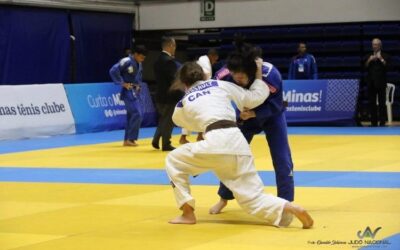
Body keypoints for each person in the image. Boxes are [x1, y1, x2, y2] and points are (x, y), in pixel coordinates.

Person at [166, 61, 313, 228]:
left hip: (214, 142)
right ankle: (287, 207)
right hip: (237, 142)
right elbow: (255, 96)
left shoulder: (183, 102)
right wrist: (257, 76)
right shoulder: (221, 84)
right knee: (253, 198)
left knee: (173, 161)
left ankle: (187, 213)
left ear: (184, 82)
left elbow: (181, 122)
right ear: (205, 75)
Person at [210, 43, 295, 214]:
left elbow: (278, 104)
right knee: (231, 156)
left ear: (252, 72)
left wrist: (256, 113)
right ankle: (224, 198)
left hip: (272, 116)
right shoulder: (223, 76)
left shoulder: (270, 75)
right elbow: (216, 99)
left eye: (241, 78)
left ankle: (286, 203)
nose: (237, 80)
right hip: (244, 116)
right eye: (235, 77)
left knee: (282, 157)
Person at [179, 49, 219, 144]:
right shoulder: (204, 61)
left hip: (199, 91)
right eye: (215, 59)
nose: (215, 62)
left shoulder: (204, 62)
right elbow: (204, 75)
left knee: (202, 113)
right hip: (195, 91)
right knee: (192, 114)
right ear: (212, 56)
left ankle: (200, 135)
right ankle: (184, 137)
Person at [109, 45, 147, 146]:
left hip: (135, 91)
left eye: (144, 58)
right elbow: (113, 70)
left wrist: (138, 85)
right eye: (141, 57)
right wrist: (122, 83)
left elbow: (138, 77)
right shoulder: (126, 61)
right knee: (137, 113)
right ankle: (131, 138)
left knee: (132, 115)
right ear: (136, 54)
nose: (142, 60)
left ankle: (127, 140)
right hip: (128, 91)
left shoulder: (139, 63)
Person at [152, 36, 181, 151]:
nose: (175, 48)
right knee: (169, 120)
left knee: (164, 118)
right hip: (169, 96)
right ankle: (166, 143)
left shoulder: (157, 60)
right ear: (170, 46)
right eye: (174, 46)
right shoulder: (169, 62)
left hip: (159, 94)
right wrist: (180, 93)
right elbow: (174, 80)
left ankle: (156, 139)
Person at [364, 38, 390, 127]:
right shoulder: (368, 55)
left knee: (382, 103)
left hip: (381, 82)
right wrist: (369, 60)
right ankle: (373, 122)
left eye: (376, 44)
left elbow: (388, 67)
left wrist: (381, 59)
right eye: (373, 44)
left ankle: (382, 122)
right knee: (372, 103)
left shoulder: (385, 55)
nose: (374, 46)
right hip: (371, 83)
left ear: (380, 45)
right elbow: (365, 67)